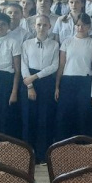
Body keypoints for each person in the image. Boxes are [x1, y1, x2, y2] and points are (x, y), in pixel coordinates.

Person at [20, 14, 59, 160]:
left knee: (45, 118)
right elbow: (23, 64)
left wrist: (36, 76)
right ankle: (28, 154)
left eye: (44, 25)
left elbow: (54, 66)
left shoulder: (54, 45)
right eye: (39, 25)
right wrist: (30, 85)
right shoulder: (27, 44)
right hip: (28, 81)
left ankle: (43, 155)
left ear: (49, 27)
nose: (41, 27)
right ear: (34, 26)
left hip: (45, 81)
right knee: (28, 118)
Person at [56, 13, 92, 140]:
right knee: (65, 113)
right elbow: (61, 66)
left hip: (85, 81)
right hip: (67, 81)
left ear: (89, 27)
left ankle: (84, 145)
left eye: (84, 25)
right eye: (78, 25)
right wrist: (57, 86)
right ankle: (64, 144)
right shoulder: (67, 42)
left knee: (83, 114)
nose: (80, 28)